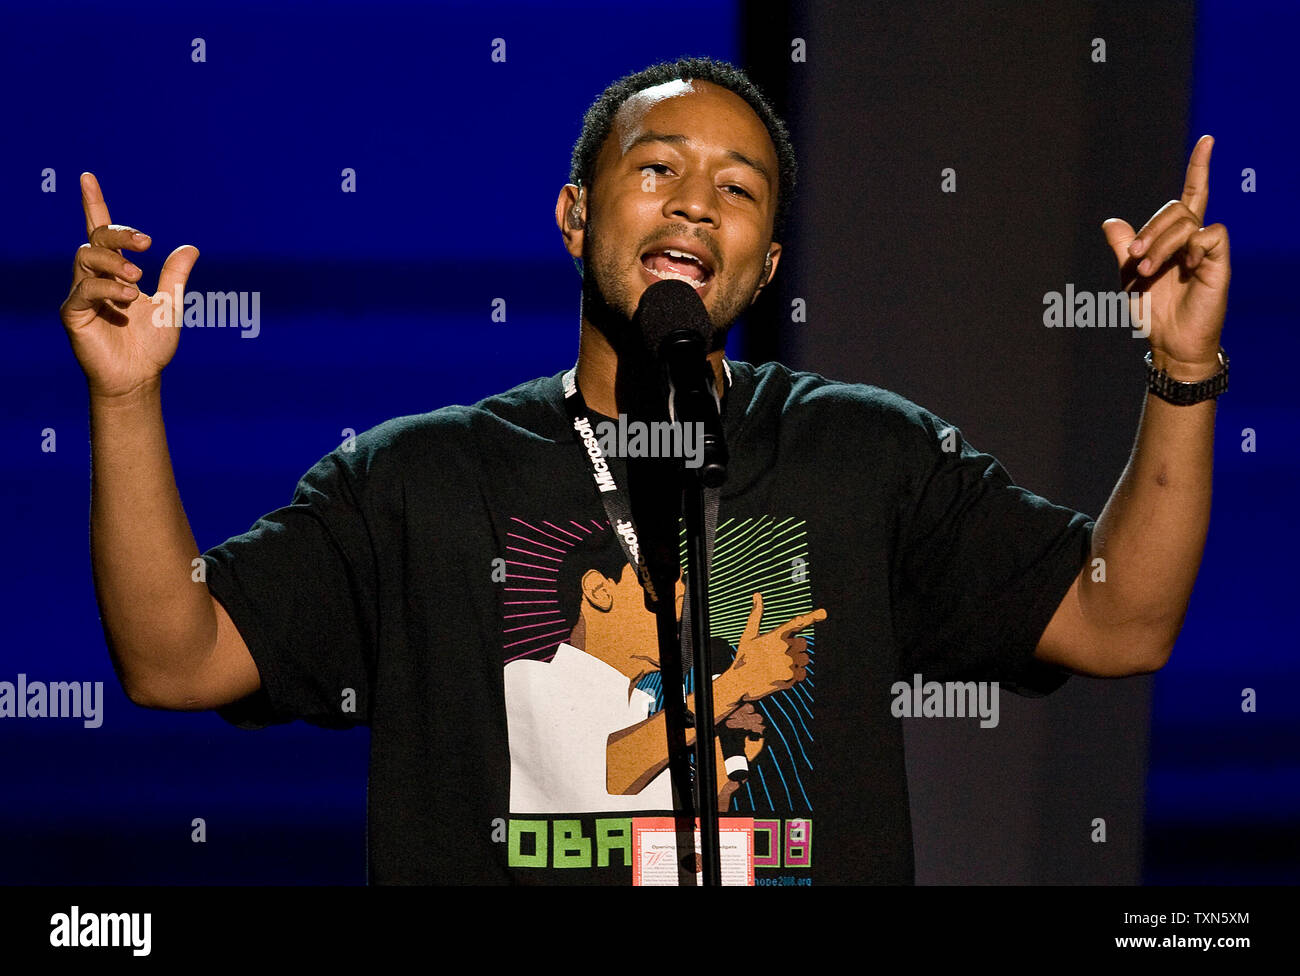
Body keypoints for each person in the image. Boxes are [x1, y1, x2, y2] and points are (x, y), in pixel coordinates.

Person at [62, 57, 1230, 885]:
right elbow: (174, 657)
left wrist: (1180, 371)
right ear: (576, 216)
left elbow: (1119, 619)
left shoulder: (860, 453)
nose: (693, 205)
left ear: (765, 263)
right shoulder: (421, 477)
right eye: (657, 168)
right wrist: (124, 398)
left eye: (737, 188)